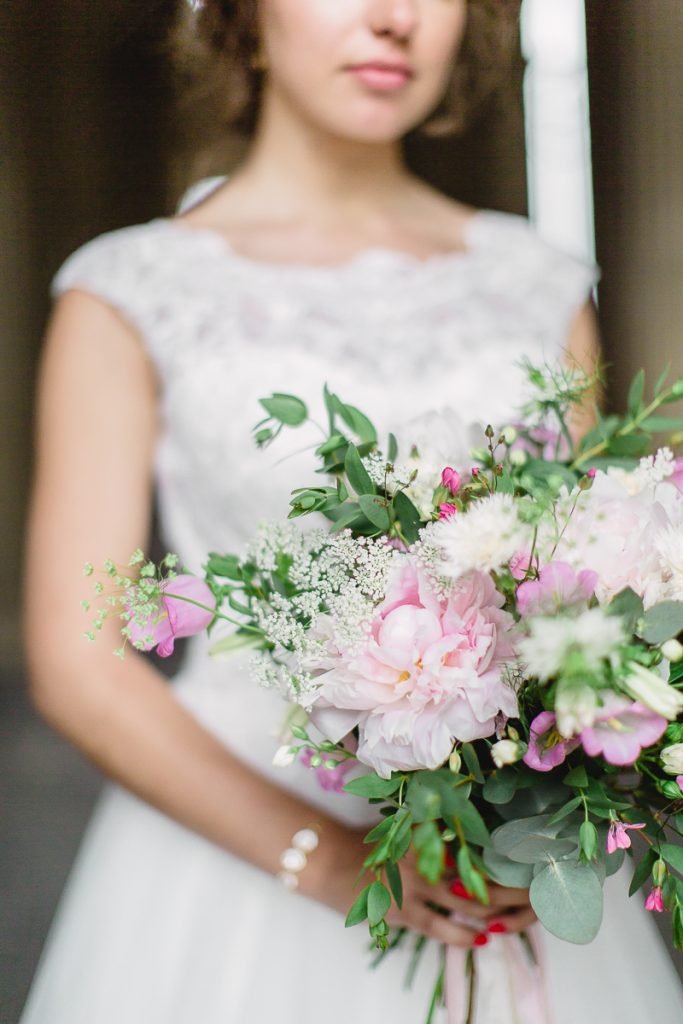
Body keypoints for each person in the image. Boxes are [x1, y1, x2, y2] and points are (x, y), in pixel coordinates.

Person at [20, 1, 683, 1022]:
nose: (393, 19)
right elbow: (77, 659)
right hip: (234, 857)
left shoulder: (534, 282)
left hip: (504, 859)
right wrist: (334, 862)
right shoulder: (127, 289)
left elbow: (578, 574)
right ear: (240, 15)